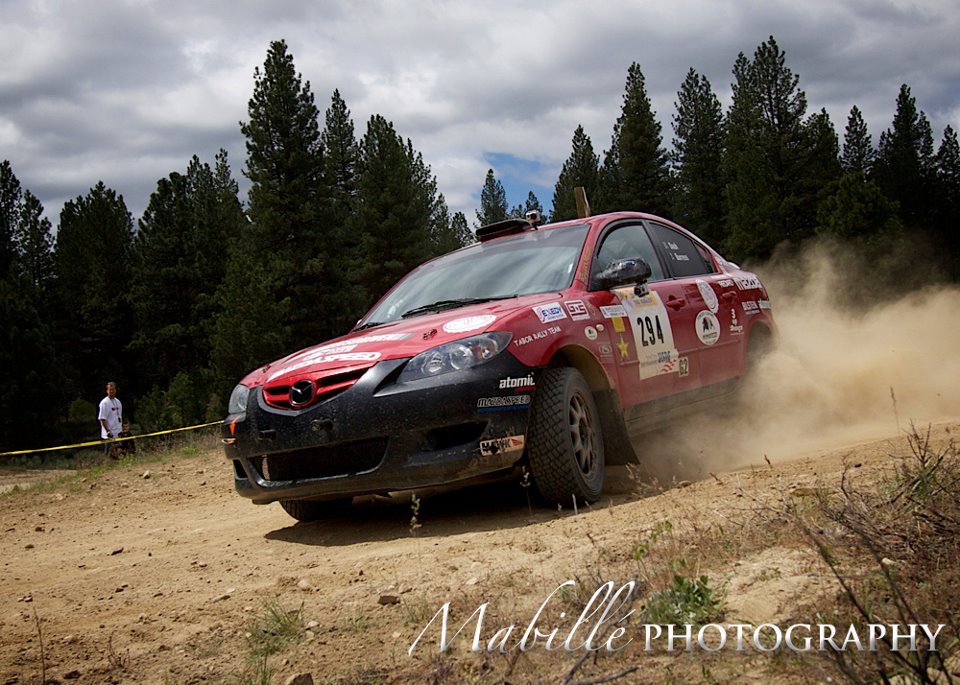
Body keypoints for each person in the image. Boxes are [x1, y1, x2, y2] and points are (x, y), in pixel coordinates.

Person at [98, 382, 123, 456]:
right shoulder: (104, 403)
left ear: (115, 390)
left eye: (113, 389)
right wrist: (108, 431)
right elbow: (102, 419)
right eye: (110, 389)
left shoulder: (118, 402)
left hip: (118, 433)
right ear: (107, 391)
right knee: (109, 454)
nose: (111, 391)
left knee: (118, 454)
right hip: (109, 435)